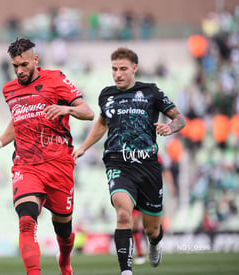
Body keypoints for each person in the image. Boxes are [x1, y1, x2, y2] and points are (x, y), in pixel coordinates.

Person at [0, 38, 94, 275]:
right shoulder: (9, 90)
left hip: (59, 164)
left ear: (35, 60)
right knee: (26, 220)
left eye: (24, 64)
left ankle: (64, 261)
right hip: (27, 165)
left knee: (63, 230)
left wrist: (67, 109)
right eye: (15, 66)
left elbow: (88, 112)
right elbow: (18, 120)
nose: (20, 71)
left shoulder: (55, 79)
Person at [72, 47, 186, 275]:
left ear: (135, 68)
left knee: (151, 229)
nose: (118, 74)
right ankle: (126, 271)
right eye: (114, 69)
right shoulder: (106, 94)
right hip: (118, 164)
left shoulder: (151, 91)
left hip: (148, 166)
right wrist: (83, 147)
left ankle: (153, 243)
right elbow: (102, 124)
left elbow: (180, 118)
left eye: (123, 69)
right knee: (123, 214)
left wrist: (170, 127)